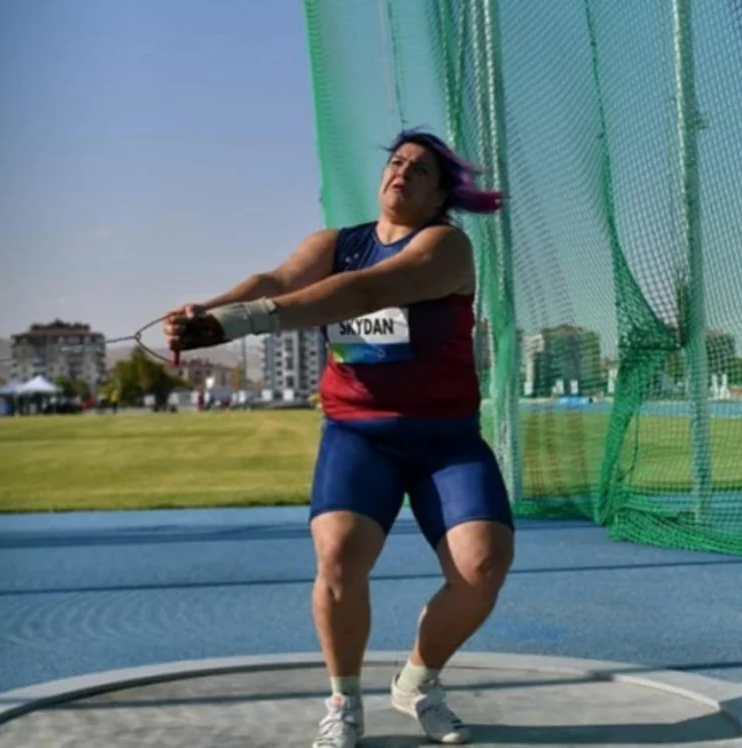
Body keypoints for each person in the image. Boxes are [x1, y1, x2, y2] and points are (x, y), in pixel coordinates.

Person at [164, 128, 515, 747]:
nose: (401, 172)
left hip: (445, 439)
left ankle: (417, 682)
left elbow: (368, 290)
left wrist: (237, 324)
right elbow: (276, 281)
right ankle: (344, 700)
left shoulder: (446, 247)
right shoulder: (334, 245)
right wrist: (205, 314)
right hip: (359, 435)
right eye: (396, 162)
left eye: (420, 170)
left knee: (483, 566)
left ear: (439, 198)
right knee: (338, 557)